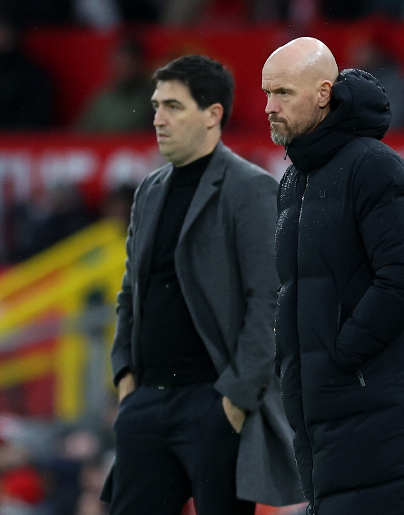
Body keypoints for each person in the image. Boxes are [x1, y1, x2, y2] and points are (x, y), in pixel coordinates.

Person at [262, 37, 404, 514]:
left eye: (283, 93)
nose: (269, 107)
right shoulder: (293, 181)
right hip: (327, 427)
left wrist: (339, 356)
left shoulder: (373, 165)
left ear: (324, 92)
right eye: (267, 93)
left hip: (385, 426)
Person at [100, 54, 303, 515]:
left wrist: (233, 399)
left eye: (173, 106)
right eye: (156, 106)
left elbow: (268, 301)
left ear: (213, 115)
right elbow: (131, 290)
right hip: (147, 400)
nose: (157, 118)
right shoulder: (150, 189)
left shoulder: (252, 189)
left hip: (214, 403)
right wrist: (125, 375)